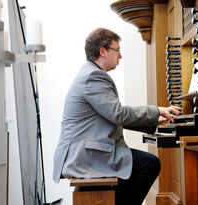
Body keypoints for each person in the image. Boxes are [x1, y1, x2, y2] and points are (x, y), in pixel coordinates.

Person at [53, 27, 181, 204]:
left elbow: (111, 114)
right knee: (149, 164)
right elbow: (118, 114)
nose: (120, 56)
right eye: (117, 50)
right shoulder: (93, 77)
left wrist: (152, 120)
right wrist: (156, 110)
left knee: (138, 166)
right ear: (103, 51)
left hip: (85, 153)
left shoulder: (90, 74)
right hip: (85, 156)